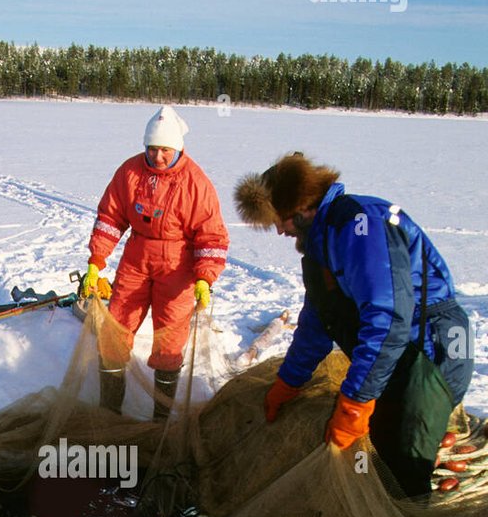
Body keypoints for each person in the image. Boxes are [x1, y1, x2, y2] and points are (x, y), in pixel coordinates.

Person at [234, 152, 474, 496]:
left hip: (432, 350)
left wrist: (356, 402)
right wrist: (289, 382)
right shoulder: (321, 244)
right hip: (397, 353)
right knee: (373, 455)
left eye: (280, 219)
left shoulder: (360, 226)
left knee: (401, 471)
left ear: (300, 207)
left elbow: (387, 320)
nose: (279, 230)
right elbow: (317, 322)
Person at [85, 105, 229, 419]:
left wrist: (205, 278)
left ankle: (160, 419)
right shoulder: (130, 172)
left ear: (178, 148)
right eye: (152, 149)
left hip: (178, 266)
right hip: (136, 259)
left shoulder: (196, 182)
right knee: (114, 332)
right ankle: (109, 411)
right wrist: (96, 260)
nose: (158, 157)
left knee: (169, 344)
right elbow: (110, 218)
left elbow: (211, 236)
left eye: (165, 150)